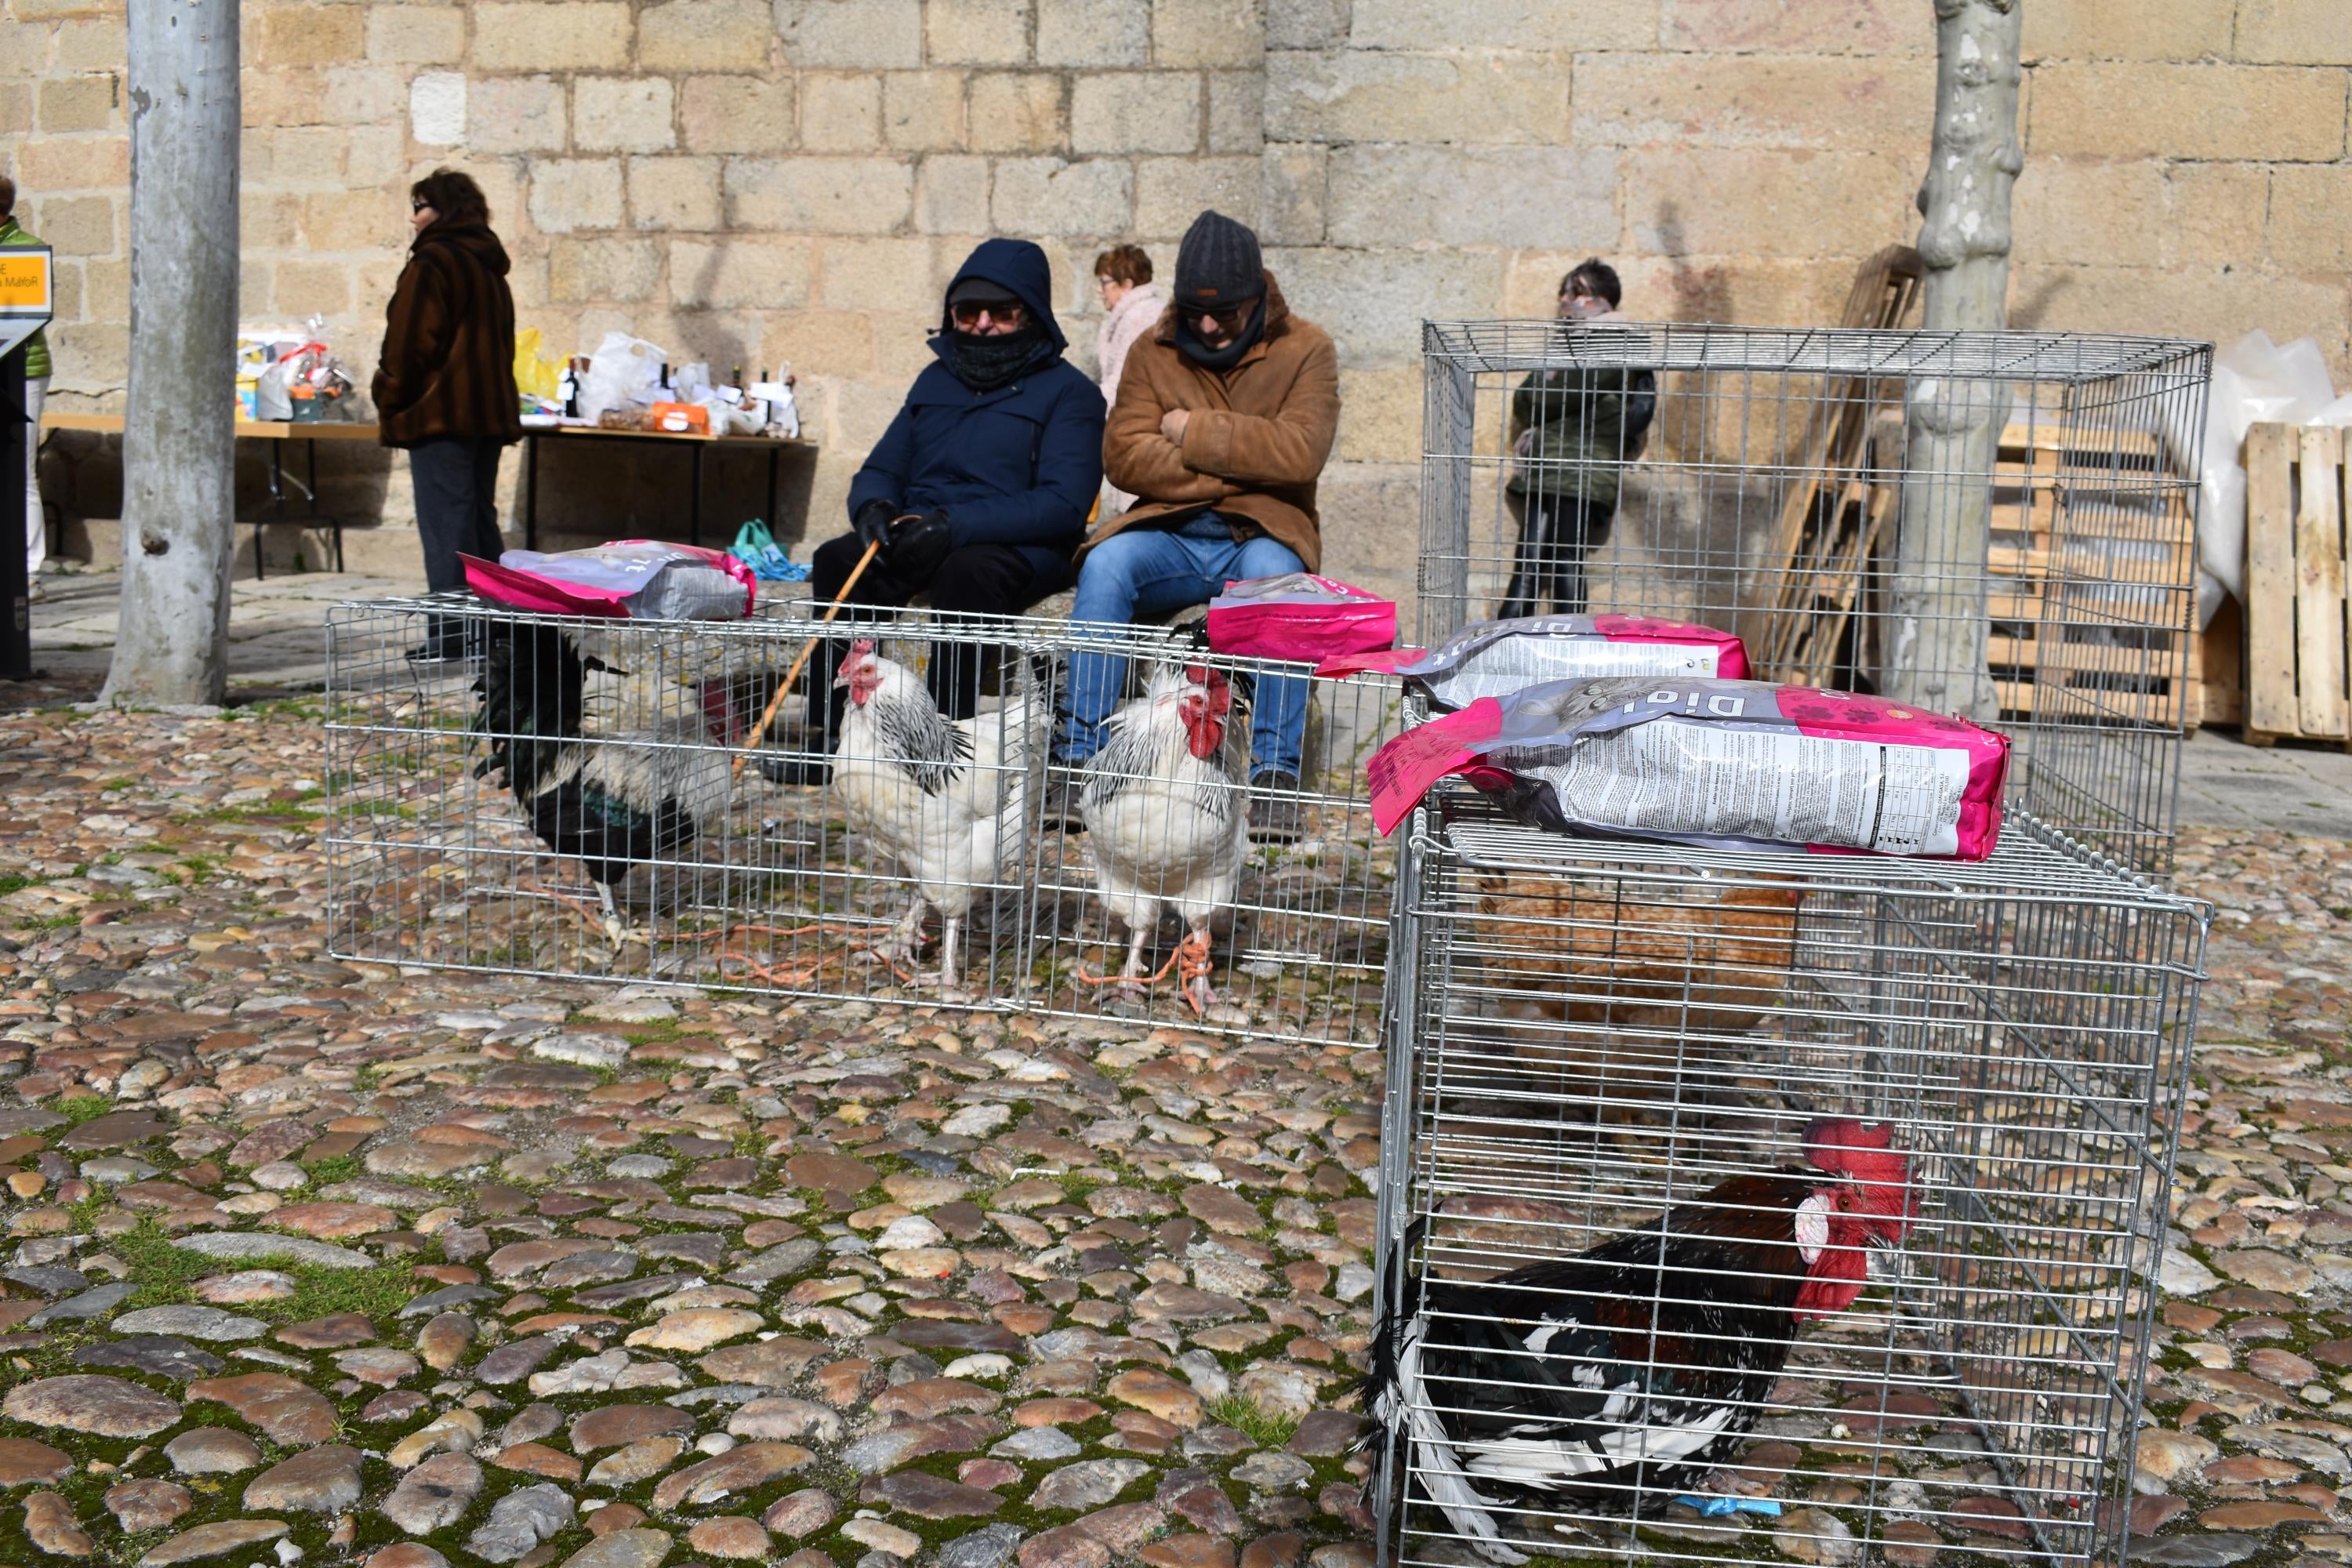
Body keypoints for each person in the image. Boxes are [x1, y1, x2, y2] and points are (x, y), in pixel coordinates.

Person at [760, 236, 1104, 786]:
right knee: (837, 559)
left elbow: (1063, 505)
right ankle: (836, 736)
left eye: (1001, 311)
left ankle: (942, 742)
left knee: (966, 574)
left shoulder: (1070, 394)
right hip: (925, 530)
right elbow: (883, 466)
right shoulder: (936, 380)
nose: (983, 323)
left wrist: (955, 528)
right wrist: (872, 507)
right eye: (968, 312)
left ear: (1032, 313)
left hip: (1019, 543)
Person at [1051, 209, 1341, 844]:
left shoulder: (1306, 349)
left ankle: (1274, 778)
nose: (1208, 328)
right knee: (1105, 565)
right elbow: (1124, 456)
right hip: (1170, 529)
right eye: (1195, 313)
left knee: (1279, 581)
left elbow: (1301, 455)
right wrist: (1246, 461)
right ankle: (1076, 761)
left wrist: (1190, 431)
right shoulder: (1155, 348)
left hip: (1262, 533)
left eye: (1226, 314)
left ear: (1256, 298)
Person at [372, 168, 521, 659]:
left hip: (440, 415)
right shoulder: (488, 268)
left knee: (447, 526)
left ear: (441, 210)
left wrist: (391, 398)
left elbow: (409, 347)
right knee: (477, 521)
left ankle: (456, 636)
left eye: (419, 206)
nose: (413, 219)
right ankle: (498, 630)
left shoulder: (433, 264)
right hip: (484, 415)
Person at [1497, 257, 1656, 619]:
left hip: (1585, 467)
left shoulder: (1617, 337)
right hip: (1550, 463)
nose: (1567, 299)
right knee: (1529, 559)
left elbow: (1559, 395)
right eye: (1564, 292)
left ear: (1604, 299)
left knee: (1566, 559)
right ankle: (1501, 643)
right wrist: (1548, 393)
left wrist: (1548, 390)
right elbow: (1525, 402)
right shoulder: (1567, 345)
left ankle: (1570, 642)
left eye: (1578, 292)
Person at [0, 179, 51, 601]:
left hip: (23, 372)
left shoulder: (24, 248)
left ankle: (30, 571)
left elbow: (29, 315)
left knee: (20, 469)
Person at [1092, 243, 1162, 517]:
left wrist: (1086, 409)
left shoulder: (1140, 317)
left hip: (1140, 429)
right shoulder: (1138, 313)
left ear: (1127, 285)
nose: (1101, 290)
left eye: (1105, 282)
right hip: (1137, 428)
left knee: (1138, 513)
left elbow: (1123, 382)